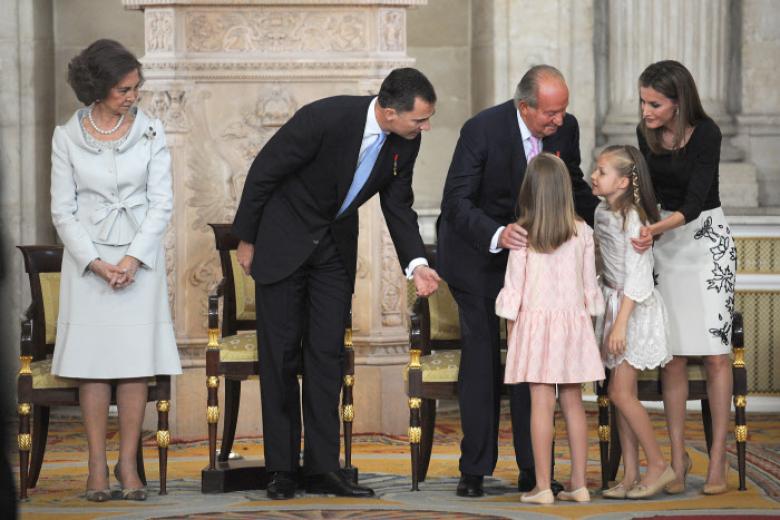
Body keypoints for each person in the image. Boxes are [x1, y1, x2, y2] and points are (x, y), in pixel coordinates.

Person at [232, 68, 441, 500]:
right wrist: (247, 237)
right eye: (419, 120)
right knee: (281, 358)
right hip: (284, 241)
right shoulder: (326, 118)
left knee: (326, 356)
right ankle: (283, 471)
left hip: (333, 253)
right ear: (388, 112)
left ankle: (324, 469)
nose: (425, 128)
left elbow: (398, 204)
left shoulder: (406, 141)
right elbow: (265, 171)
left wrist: (416, 262)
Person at [436, 64, 599, 497]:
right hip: (479, 256)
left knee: (535, 366)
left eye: (563, 110)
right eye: (550, 113)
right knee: (483, 358)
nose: (559, 121)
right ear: (524, 107)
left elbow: (574, 187)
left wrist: (612, 225)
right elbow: (456, 200)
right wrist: (498, 233)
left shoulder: (567, 129)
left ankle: (535, 473)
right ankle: (474, 469)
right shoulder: (481, 129)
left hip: (539, 264)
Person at [50, 39, 182, 502]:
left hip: (138, 264)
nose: (132, 97)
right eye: (124, 89)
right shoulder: (67, 136)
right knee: (93, 366)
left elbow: (162, 202)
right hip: (88, 267)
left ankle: (128, 465)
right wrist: (98, 263)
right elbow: (62, 211)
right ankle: (95, 467)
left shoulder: (151, 131)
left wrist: (131, 260)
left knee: (133, 365)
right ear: (98, 87)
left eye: (135, 88)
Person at [632, 60, 736, 496]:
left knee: (714, 356)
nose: (646, 111)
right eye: (642, 101)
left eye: (654, 103)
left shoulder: (707, 133)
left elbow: (694, 202)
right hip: (666, 249)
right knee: (672, 357)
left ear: (678, 103)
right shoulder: (645, 134)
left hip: (706, 245)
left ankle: (716, 462)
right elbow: (648, 194)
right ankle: (677, 460)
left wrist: (651, 231)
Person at [495, 153, 605, 505]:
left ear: (531, 190)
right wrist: (586, 330)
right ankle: (579, 483)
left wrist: (513, 335)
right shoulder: (583, 231)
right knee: (573, 402)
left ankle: (543, 486)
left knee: (541, 403)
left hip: (534, 328)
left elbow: (515, 290)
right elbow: (590, 288)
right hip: (573, 326)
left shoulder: (523, 235)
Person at [591, 145, 676, 499]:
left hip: (634, 311)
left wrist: (621, 324)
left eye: (602, 171)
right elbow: (602, 262)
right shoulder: (601, 212)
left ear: (624, 182)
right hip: (612, 305)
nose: (593, 176)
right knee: (618, 395)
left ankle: (659, 464)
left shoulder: (635, 221)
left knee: (620, 393)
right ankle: (629, 474)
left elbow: (639, 278)